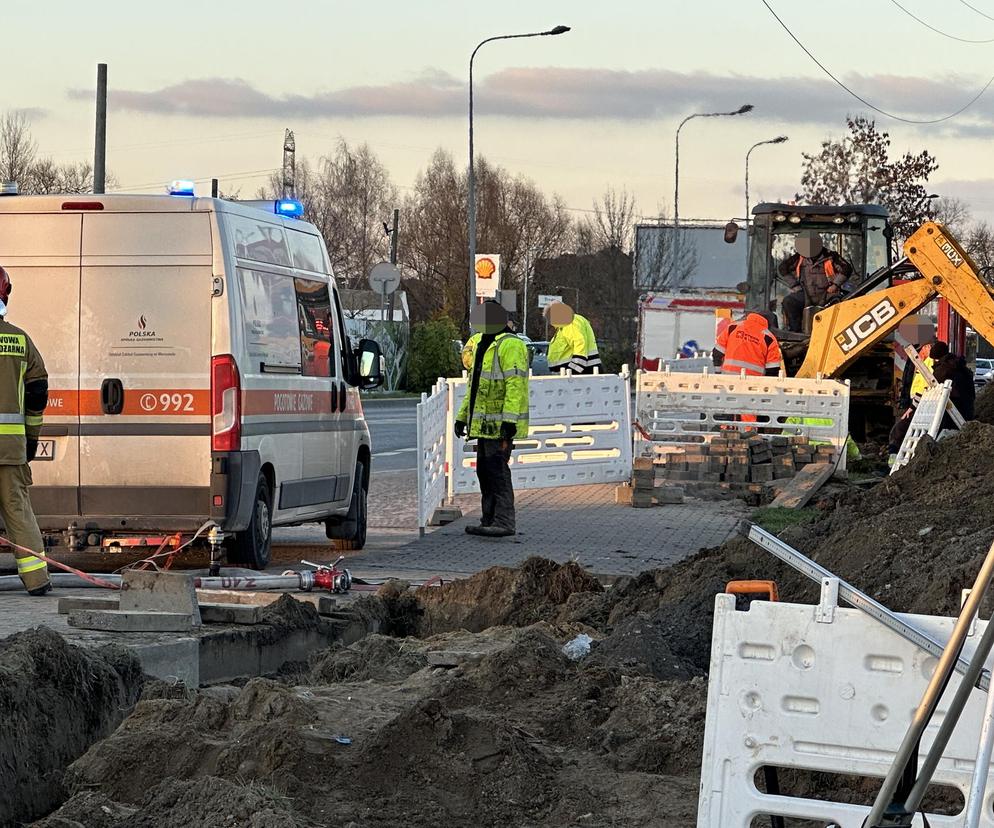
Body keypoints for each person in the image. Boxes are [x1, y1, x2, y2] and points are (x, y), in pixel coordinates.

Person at [455, 301, 529, 538]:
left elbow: (515, 385)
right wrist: (462, 417)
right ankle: (489, 520)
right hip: (485, 425)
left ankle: (504, 521)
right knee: (485, 473)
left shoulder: (511, 345)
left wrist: (509, 422)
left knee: (497, 472)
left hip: (499, 426)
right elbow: (474, 387)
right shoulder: (483, 344)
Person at [0, 266, 50, 595]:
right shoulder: (19, 340)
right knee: (18, 510)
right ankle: (37, 579)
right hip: (10, 448)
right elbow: (37, 393)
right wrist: (31, 440)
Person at [779, 231, 854, 333]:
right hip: (805, 295)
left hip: (828, 295)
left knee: (842, 305)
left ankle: (836, 332)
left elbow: (847, 268)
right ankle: (795, 333)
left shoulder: (831, 256)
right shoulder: (799, 257)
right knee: (789, 302)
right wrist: (795, 285)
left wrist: (835, 285)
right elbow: (783, 268)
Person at [712, 310, 783, 377]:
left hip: (728, 380)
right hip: (753, 384)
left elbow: (717, 353)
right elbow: (773, 369)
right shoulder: (769, 338)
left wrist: (718, 373)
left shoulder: (733, 327)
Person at [545, 302, 601, 374]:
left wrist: (573, 369)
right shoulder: (564, 325)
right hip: (575, 373)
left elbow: (579, 343)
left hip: (578, 374)